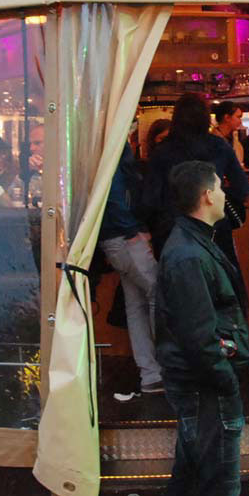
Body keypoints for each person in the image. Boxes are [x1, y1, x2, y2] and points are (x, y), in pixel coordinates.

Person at [154, 161, 249, 496]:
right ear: (208, 196)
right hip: (204, 384)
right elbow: (199, 336)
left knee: (192, 477)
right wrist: (225, 379)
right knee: (217, 487)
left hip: (197, 381)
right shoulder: (189, 254)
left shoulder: (190, 243)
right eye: (221, 189)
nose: (226, 195)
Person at [145, 94, 249, 274]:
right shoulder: (219, 146)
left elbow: (150, 200)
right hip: (214, 229)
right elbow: (242, 188)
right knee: (221, 287)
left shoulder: (162, 152)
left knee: (179, 291)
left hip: (172, 231)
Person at [98, 143, 164, 394]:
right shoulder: (115, 151)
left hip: (114, 238)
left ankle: (150, 373)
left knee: (135, 304)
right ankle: (169, 367)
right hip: (124, 237)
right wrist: (132, 231)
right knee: (158, 294)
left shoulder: (105, 149)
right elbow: (114, 197)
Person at [211, 101, 246, 167]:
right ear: (227, 117)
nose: (240, 121)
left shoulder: (234, 138)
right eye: (238, 117)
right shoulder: (213, 140)